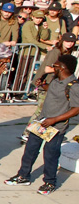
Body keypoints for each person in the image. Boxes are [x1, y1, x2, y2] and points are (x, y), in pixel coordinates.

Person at [5, 54, 79, 195]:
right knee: (30, 150)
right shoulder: (56, 81)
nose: (53, 67)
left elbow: (76, 109)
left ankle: (50, 182)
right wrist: (43, 85)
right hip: (42, 122)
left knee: (50, 155)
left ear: (63, 68)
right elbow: (53, 90)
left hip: (56, 127)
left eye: (55, 66)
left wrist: (55, 119)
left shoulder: (74, 86)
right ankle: (23, 176)